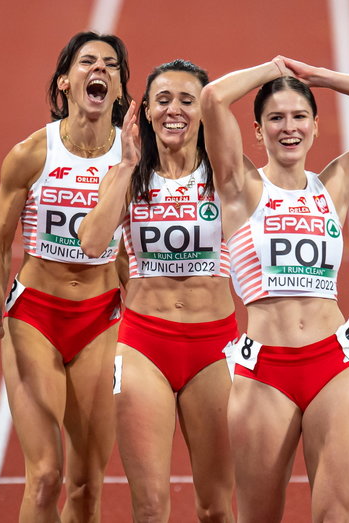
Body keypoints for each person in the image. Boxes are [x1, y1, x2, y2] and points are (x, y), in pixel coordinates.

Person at [199, 57, 349, 521]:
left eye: (299, 116)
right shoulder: (238, 187)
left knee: (335, 517)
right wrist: (271, 68)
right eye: (275, 118)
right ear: (257, 132)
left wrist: (320, 77)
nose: (288, 127)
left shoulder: (335, 185)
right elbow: (213, 99)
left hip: (333, 364)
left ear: (316, 127)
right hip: (264, 373)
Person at [0, 31, 131, 521]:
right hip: (35, 318)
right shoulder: (31, 154)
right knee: (44, 476)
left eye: (110, 64)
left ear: (121, 89)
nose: (98, 69)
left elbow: (135, 252)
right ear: (65, 81)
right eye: (87, 62)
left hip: (102, 320)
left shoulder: (133, 161)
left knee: (86, 488)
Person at [78, 59, 236, 522]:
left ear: (205, 112)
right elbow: (90, 242)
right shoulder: (127, 175)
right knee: (149, 508)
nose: (174, 110)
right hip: (144, 345)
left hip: (214, 348)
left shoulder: (226, 176)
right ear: (145, 111)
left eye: (189, 100)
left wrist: (271, 67)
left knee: (215, 508)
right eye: (163, 100)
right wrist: (127, 164)